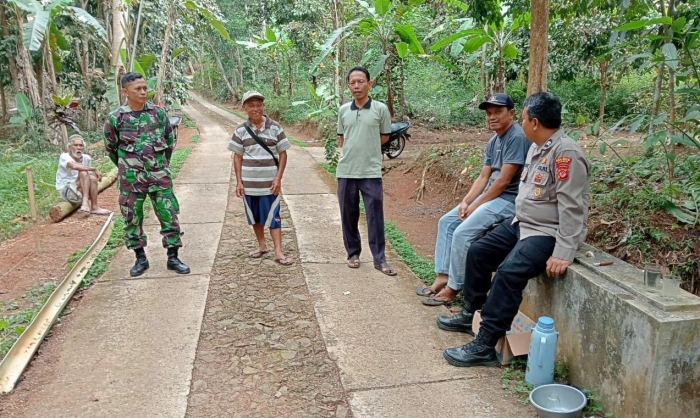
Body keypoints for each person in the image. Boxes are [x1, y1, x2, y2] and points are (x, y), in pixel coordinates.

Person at [439, 92, 591, 367]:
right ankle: (471, 312)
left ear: (534, 122)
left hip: (547, 232)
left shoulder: (566, 154)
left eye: (522, 117)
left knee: (508, 273)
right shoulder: (536, 147)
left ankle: (485, 344)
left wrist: (563, 252)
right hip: (522, 224)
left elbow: (573, 207)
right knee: (479, 250)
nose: (521, 122)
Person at [418, 93, 530, 306]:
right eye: (489, 113)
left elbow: (503, 181)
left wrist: (477, 204)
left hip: (508, 200)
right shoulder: (493, 140)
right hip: (490, 197)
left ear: (512, 113)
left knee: (462, 232)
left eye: (498, 112)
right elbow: (484, 176)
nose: (492, 117)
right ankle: (443, 275)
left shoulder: (516, 137)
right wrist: (467, 201)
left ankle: (454, 287)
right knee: (447, 222)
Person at [104, 72, 190, 277]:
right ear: (125, 92)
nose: (143, 92)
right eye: (138, 89)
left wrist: (160, 166)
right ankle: (140, 258)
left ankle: (173, 257)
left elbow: (169, 142)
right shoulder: (116, 118)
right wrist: (129, 167)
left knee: (169, 214)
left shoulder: (158, 114)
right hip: (131, 180)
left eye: (144, 88)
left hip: (159, 176)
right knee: (132, 218)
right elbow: (111, 149)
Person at [336, 66, 396, 276]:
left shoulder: (380, 109)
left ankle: (380, 259)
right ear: (348, 86)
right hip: (346, 171)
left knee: (375, 216)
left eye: (361, 81)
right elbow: (342, 138)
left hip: (371, 171)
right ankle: (353, 253)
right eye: (352, 82)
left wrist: (368, 149)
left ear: (369, 84)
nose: (356, 86)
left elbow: (385, 136)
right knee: (348, 215)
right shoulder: (343, 110)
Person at [228, 90, 293, 266]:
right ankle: (262, 245)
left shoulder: (275, 127)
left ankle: (279, 252)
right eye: (251, 105)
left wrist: (278, 178)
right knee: (255, 217)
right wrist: (239, 182)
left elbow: (283, 153)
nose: (255, 108)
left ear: (263, 106)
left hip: (270, 184)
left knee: (274, 217)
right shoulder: (240, 131)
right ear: (245, 108)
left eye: (259, 105)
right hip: (250, 185)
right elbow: (237, 157)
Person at [55, 134, 111, 216]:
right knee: (83, 172)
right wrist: (94, 168)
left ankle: (94, 207)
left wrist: (96, 178)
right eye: (75, 145)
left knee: (92, 178)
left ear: (83, 147)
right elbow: (74, 166)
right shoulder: (64, 156)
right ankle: (85, 203)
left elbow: (89, 179)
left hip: (79, 190)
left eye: (81, 145)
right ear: (70, 147)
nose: (78, 148)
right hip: (66, 191)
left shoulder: (86, 158)